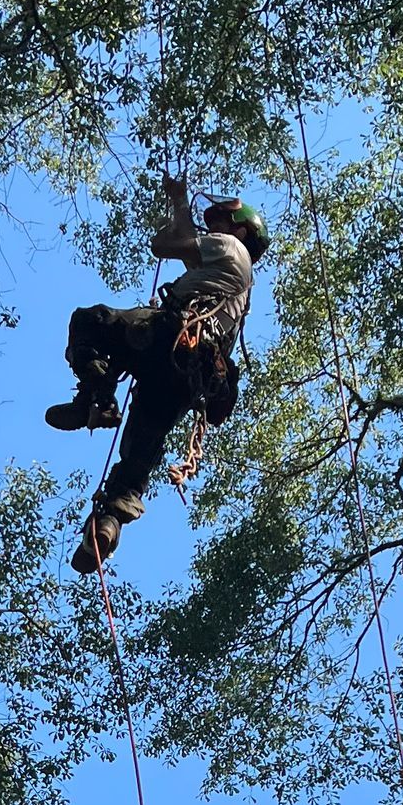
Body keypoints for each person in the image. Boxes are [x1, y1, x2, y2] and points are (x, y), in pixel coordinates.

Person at [47, 176, 269, 573]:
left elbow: (166, 244)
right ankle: (109, 522)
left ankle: (97, 398)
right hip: (189, 378)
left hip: (170, 336)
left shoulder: (231, 247)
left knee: (92, 322)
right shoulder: (241, 288)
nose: (211, 230)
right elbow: (188, 254)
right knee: (141, 446)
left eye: (218, 223)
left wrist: (178, 198)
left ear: (239, 230)